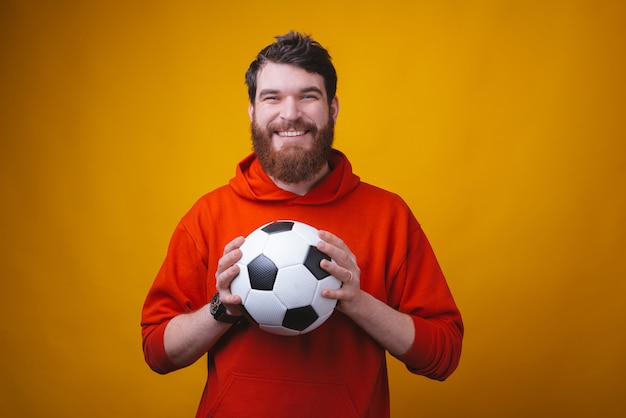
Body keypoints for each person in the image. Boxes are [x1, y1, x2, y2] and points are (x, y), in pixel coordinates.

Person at [141, 31, 463, 418]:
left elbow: (443, 355)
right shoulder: (209, 215)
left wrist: (357, 303)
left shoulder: (388, 215)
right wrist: (222, 309)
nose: (290, 114)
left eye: (307, 96)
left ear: (333, 107)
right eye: (272, 97)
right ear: (252, 110)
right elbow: (158, 352)